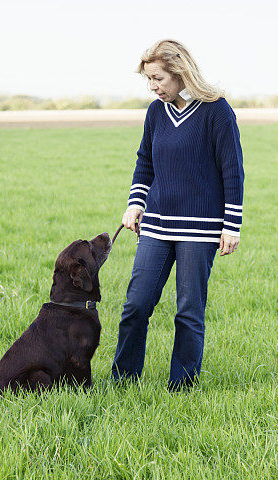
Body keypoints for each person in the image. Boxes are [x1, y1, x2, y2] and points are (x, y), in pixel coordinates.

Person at [112, 38, 245, 392]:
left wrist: (231, 226)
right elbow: (145, 162)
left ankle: (182, 388)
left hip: (199, 230)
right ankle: (123, 381)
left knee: (188, 312)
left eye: (158, 79)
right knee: (136, 305)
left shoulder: (217, 110)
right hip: (155, 225)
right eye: (149, 81)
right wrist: (135, 203)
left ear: (180, 71)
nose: (153, 87)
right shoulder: (156, 112)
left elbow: (233, 169)